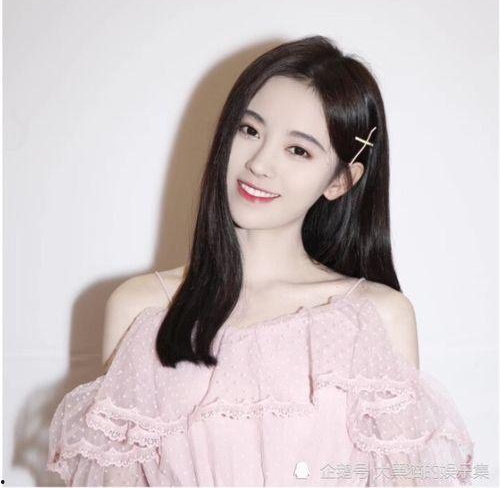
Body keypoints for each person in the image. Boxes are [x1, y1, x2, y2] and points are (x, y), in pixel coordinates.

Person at [46, 35, 474, 486]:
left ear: (341, 181)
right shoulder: (142, 310)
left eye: (299, 150)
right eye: (249, 130)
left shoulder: (376, 317)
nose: (259, 164)